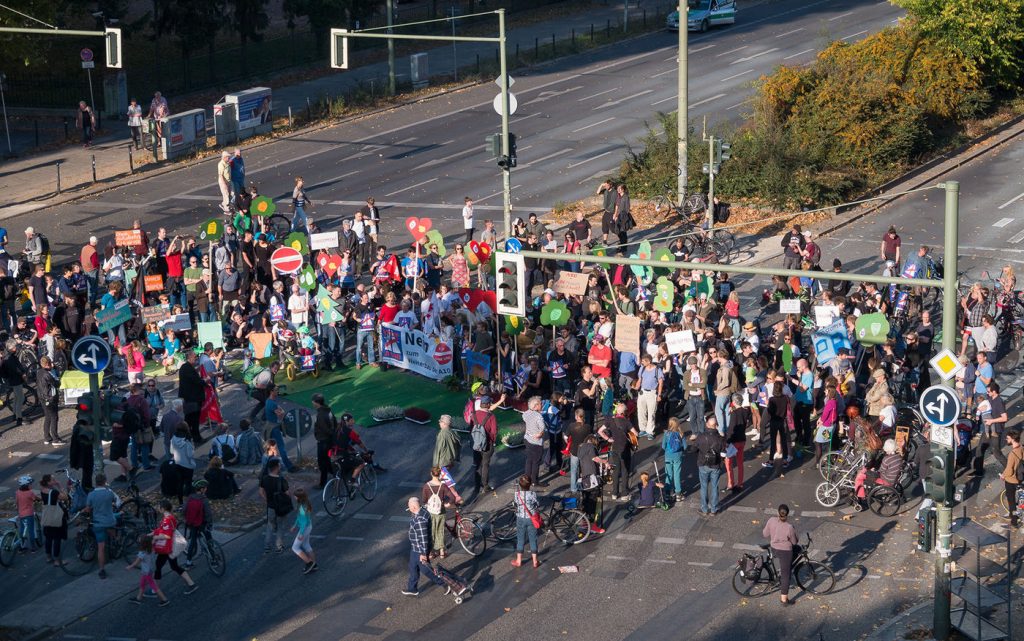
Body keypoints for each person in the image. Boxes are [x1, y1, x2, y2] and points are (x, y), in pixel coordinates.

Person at [151, 499, 199, 594]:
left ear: (163, 508)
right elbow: (163, 530)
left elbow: (167, 535)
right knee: (174, 566)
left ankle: (155, 590)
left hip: (167, 547)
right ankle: (191, 584)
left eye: (158, 506)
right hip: (170, 547)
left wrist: (155, 537)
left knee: (159, 566)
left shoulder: (167, 519)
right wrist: (151, 533)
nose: (157, 508)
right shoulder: (170, 517)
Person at [403, 496, 446, 596]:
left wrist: (423, 553)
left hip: (419, 549)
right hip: (415, 548)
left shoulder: (420, 520)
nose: (409, 510)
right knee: (413, 567)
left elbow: (423, 537)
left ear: (413, 507)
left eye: (409, 507)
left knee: (426, 570)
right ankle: (412, 588)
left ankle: (444, 583)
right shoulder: (423, 511)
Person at [597, 402, 638, 501]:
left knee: (616, 471)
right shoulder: (627, 422)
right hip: (625, 449)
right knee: (625, 471)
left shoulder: (610, 421)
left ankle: (614, 493)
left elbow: (599, 431)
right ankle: (624, 493)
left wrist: (608, 439)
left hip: (614, 448)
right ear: (624, 412)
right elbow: (635, 433)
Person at [84, 474, 120, 578]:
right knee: (112, 531)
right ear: (105, 481)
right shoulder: (109, 493)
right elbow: (116, 502)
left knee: (101, 548)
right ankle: (117, 542)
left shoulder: (91, 495)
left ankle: (102, 570)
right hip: (110, 521)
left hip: (98, 523)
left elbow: (88, 508)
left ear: (95, 482)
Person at [763, 504, 799, 605]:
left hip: (774, 549)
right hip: (785, 552)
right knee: (785, 575)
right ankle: (784, 599)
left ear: (777, 512)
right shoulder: (789, 527)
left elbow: (765, 534)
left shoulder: (771, 520)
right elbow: (794, 542)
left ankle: (785, 567)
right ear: (787, 514)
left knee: (786, 567)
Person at [422, 466, 461, 560]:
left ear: (431, 474)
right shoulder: (443, 486)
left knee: (431, 532)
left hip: (430, 512)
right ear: (439, 475)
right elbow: (452, 497)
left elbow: (424, 500)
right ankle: (442, 552)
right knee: (440, 531)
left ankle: (431, 553)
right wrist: (448, 504)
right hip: (441, 511)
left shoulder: (426, 486)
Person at [125, 534, 170, 607]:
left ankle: (164, 599)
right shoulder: (152, 548)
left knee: (154, 586)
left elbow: (136, 562)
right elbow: (152, 540)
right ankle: (138, 598)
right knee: (142, 584)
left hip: (146, 571)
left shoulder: (142, 553)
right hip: (150, 569)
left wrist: (130, 567)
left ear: (142, 544)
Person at [695, 417, 725, 515]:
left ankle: (704, 509)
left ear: (707, 425)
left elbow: (695, 448)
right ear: (716, 426)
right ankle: (714, 509)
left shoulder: (701, 436)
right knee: (714, 486)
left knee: (703, 486)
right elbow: (724, 452)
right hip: (715, 465)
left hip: (703, 463)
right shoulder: (720, 438)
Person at [259, 458, 289, 553]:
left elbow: (261, 492)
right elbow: (287, 493)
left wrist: (267, 499)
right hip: (280, 507)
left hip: (271, 506)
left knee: (270, 525)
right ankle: (279, 546)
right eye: (279, 465)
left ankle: (267, 546)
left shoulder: (265, 479)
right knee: (280, 526)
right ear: (277, 467)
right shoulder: (281, 480)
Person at [511, 475, 541, 569]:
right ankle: (535, 561)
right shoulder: (532, 494)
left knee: (520, 539)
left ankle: (519, 560)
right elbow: (537, 504)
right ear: (529, 485)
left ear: (520, 485)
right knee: (533, 539)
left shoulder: (517, 494)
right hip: (531, 518)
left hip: (520, 518)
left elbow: (514, 504)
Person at [471, 397, 498, 494]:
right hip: (487, 444)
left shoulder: (473, 414)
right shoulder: (491, 416)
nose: (491, 404)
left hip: (476, 443)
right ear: (487, 404)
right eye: (490, 403)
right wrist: (493, 442)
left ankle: (477, 485)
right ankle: (485, 486)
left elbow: (471, 428)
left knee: (477, 464)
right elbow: (494, 432)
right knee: (485, 465)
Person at [725, 394, 749, 493]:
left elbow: (731, 429)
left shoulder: (734, 414)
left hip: (734, 441)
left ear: (734, 402)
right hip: (742, 440)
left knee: (728, 461)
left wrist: (727, 441)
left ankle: (731, 483)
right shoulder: (745, 411)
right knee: (740, 463)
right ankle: (740, 483)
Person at [999, 428, 1022, 529]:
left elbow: (1009, 470)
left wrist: (1003, 476)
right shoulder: (1022, 448)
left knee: (1012, 501)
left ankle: (1014, 521)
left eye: (1008, 438)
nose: (1006, 440)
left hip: (1011, 480)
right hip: (1020, 478)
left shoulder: (1012, 454)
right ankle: (1012, 515)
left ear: (1012, 439)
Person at [291, 488, 318, 574]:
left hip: (305, 528)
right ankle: (314, 564)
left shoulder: (302, 508)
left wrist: (301, 534)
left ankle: (309, 563)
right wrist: (295, 525)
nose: (294, 497)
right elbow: (300, 518)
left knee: (295, 548)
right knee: (306, 545)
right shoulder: (305, 503)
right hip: (308, 526)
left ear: (299, 498)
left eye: (295, 496)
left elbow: (303, 522)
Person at [312, 393, 336, 488]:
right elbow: (334, 423)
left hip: (323, 441)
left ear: (317, 403)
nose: (312, 402)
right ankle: (334, 473)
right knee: (326, 460)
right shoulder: (328, 410)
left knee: (322, 462)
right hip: (328, 440)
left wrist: (329, 434)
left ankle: (322, 483)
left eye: (313, 401)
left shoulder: (320, 415)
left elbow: (325, 429)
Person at [523, 396, 546, 487]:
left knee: (529, 460)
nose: (542, 405)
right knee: (536, 462)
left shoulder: (526, 413)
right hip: (536, 442)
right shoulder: (538, 416)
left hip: (527, 439)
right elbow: (542, 427)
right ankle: (534, 481)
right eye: (540, 404)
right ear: (536, 405)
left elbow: (524, 418)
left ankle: (527, 479)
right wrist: (540, 433)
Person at [36, 355, 60, 445]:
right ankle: (55, 439)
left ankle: (47, 437)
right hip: (50, 398)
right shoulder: (48, 374)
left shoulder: (39, 372)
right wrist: (55, 371)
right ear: (48, 364)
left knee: (47, 417)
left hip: (42, 398)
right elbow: (57, 383)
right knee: (54, 417)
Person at [170, 425, 196, 505]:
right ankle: (189, 501)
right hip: (187, 465)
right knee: (188, 483)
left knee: (180, 483)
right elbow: (190, 455)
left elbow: (171, 451)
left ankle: (180, 501)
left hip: (177, 463)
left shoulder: (173, 439)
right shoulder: (187, 441)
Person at [661, 417, 686, 497]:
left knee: (669, 474)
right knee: (677, 474)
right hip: (677, 456)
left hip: (668, 456)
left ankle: (667, 491)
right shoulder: (681, 433)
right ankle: (678, 493)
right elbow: (685, 446)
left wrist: (668, 450)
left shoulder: (666, 433)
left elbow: (663, 446)